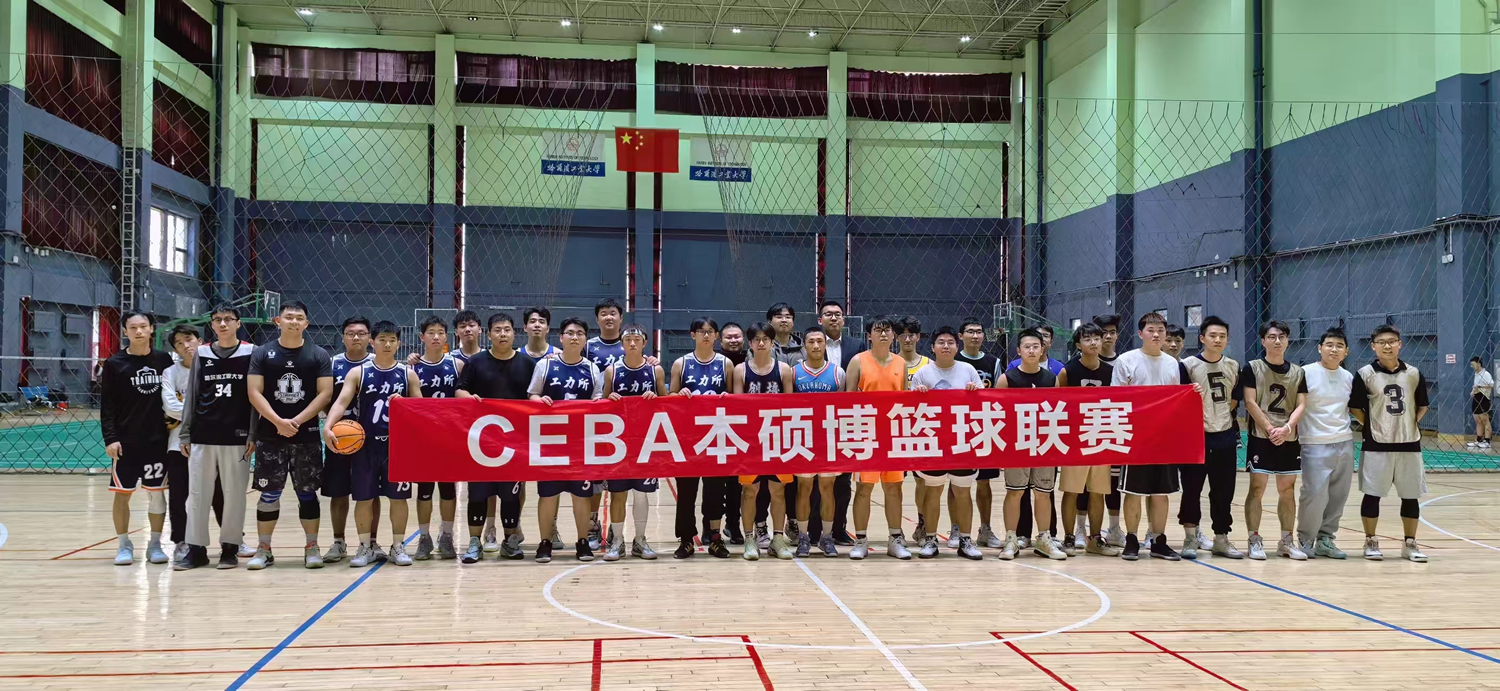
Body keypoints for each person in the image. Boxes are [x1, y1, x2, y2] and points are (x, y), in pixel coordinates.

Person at [325, 321, 424, 567]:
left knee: (398, 499)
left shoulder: (407, 374)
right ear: (373, 342)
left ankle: (398, 545)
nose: (387, 344)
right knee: (364, 498)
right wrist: (328, 426)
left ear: (399, 343)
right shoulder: (358, 372)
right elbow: (341, 402)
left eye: (392, 340)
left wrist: (405, 403)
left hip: (396, 446)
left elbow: (421, 409)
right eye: (382, 339)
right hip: (365, 444)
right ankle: (364, 547)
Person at [245, 301, 335, 570]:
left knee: (307, 493)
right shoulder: (262, 353)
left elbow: (325, 394)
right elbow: (254, 392)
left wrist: (295, 421)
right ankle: (264, 549)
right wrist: (277, 421)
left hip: (306, 435)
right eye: (289, 317)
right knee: (269, 493)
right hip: (270, 436)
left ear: (306, 323)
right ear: (278, 321)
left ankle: (312, 547)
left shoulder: (318, 354)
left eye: (299, 318)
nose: (294, 321)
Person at [172, 305, 257, 571]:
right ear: (211, 325)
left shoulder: (251, 352)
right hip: (203, 434)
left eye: (228, 319)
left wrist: (253, 433)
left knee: (235, 496)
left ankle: (230, 548)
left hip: (237, 436)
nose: (222, 324)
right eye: (217, 320)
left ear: (238, 323)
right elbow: (193, 394)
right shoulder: (203, 353)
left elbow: (256, 396)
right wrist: (185, 432)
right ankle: (196, 550)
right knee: (197, 495)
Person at [455, 313, 537, 563]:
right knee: (478, 494)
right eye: (498, 330)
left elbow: (535, 394)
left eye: (507, 329)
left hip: (515, 443)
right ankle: (474, 543)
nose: (503, 334)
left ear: (514, 333)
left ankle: (510, 541)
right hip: (481, 442)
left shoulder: (527, 364)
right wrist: (468, 398)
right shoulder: (476, 362)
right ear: (489, 334)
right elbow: (459, 390)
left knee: (511, 494)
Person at [1111, 312, 1188, 561]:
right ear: (1140, 333)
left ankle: (1158, 540)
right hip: (1135, 437)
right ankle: (1131, 539)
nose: (1156, 335)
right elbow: (1116, 399)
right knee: (1133, 491)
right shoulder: (1126, 360)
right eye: (1151, 330)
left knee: (1160, 492)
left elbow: (1175, 400)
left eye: (1160, 331)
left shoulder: (1172, 363)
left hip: (1163, 437)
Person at [100, 311, 175, 566]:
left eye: (143, 326)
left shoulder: (164, 360)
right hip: (126, 442)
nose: (139, 331)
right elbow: (107, 406)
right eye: (133, 328)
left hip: (157, 441)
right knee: (122, 494)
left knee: (157, 494)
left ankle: (155, 544)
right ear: (125, 331)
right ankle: (124, 544)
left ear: (152, 328)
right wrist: (111, 438)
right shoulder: (114, 364)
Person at [528, 317, 605, 563]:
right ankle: (545, 542)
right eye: (570, 333)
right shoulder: (546, 365)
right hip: (550, 442)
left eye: (580, 333)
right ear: (560, 338)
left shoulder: (592, 369)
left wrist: (598, 403)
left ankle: (582, 542)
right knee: (547, 495)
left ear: (585, 340)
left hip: (581, 443)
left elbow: (598, 401)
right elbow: (532, 394)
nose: (574, 337)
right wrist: (539, 401)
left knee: (581, 495)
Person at [1350, 324, 1430, 562]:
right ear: (1373, 346)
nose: (1387, 346)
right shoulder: (1365, 374)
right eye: (1382, 342)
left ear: (1400, 344)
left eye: (1392, 341)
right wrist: (1374, 426)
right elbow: (1355, 407)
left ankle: (1410, 543)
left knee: (1410, 496)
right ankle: (1370, 541)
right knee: (1372, 494)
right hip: (1377, 444)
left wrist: (1407, 424)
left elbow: (1422, 405)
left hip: (1409, 444)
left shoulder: (1413, 373)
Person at [910, 326, 985, 560]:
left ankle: (966, 540)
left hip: (962, 441)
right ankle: (931, 539)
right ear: (932, 348)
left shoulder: (968, 370)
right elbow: (911, 409)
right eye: (941, 342)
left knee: (963, 492)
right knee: (933, 492)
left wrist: (975, 392)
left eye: (950, 342)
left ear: (957, 346)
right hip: (933, 442)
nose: (946, 346)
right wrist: (918, 395)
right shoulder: (923, 373)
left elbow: (983, 403)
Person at [994, 328, 1067, 560]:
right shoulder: (1007, 378)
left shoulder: (1051, 379)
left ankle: (1044, 539)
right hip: (1017, 444)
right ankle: (1011, 539)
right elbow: (996, 413)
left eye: (1036, 346)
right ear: (1019, 351)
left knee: (1043, 493)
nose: (1032, 350)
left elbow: (1057, 412)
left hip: (1045, 442)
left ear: (1042, 349)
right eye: (1027, 347)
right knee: (1015, 492)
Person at [1239, 320, 1309, 561]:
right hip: (1262, 436)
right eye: (1272, 337)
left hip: (1289, 437)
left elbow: (1301, 404)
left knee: (1287, 489)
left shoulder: (1298, 372)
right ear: (1263, 341)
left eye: (1281, 337)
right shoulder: (1252, 368)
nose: (1277, 341)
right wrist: (1270, 429)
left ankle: (1286, 541)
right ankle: (1253, 540)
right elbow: (1250, 402)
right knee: (1257, 488)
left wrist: (1287, 428)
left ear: (1288, 341)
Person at [845, 316, 910, 560]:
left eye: (887, 330)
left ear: (893, 335)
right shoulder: (858, 361)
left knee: (894, 488)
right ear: (869, 335)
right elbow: (847, 400)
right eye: (878, 330)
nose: (883, 334)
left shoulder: (901, 362)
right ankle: (861, 540)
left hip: (892, 436)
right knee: (864, 488)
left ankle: (895, 539)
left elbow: (905, 400)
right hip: (866, 435)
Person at [671, 317, 736, 559]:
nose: (706, 335)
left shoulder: (726, 363)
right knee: (686, 492)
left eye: (710, 331)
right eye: (701, 331)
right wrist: (679, 394)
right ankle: (686, 539)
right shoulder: (681, 363)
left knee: (715, 492)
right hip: (687, 438)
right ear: (693, 335)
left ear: (716, 335)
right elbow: (670, 396)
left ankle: (715, 538)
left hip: (717, 436)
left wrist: (728, 398)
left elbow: (734, 397)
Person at [1177, 317, 1242, 559]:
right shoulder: (1188, 365)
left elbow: (1234, 400)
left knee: (1223, 492)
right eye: (1213, 335)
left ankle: (1221, 538)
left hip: (1224, 436)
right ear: (1202, 338)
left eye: (1222, 336)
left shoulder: (1233, 365)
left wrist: (1220, 417)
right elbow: (1180, 400)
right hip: (1195, 438)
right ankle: (1190, 538)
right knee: (1191, 489)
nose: (1217, 340)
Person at [601, 324, 667, 561]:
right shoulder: (612, 370)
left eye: (636, 340)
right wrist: (609, 398)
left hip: (646, 442)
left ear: (644, 343)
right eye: (627, 339)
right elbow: (601, 405)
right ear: (621, 344)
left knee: (641, 494)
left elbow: (667, 404)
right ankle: (617, 541)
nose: (632, 343)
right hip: (618, 443)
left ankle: (640, 540)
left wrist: (656, 399)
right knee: (618, 494)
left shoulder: (655, 371)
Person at [733, 322, 797, 560]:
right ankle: (749, 539)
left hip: (778, 439)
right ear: (750, 343)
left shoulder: (784, 370)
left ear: (772, 343)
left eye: (766, 339)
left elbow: (790, 408)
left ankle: (777, 539)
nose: (761, 343)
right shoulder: (740, 370)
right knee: (750, 491)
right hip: (750, 441)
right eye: (756, 339)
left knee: (778, 491)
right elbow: (737, 408)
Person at [1056, 323, 1121, 557]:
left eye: (1097, 338)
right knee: (1071, 491)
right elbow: (1058, 405)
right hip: (1075, 440)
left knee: (1098, 491)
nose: (1093, 342)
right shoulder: (1067, 371)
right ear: (1078, 345)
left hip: (1100, 437)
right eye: (1087, 339)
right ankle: (1069, 537)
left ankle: (1095, 539)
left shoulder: (1111, 372)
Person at [1297, 327, 1355, 559]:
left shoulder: (1348, 377)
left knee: (1338, 495)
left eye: (1339, 346)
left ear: (1346, 352)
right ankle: (1306, 539)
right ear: (1320, 348)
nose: (1334, 349)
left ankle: (1326, 539)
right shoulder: (1305, 373)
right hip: (1314, 442)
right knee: (1314, 494)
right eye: (1329, 345)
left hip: (1344, 441)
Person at [323, 316, 377, 564]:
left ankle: (372, 542)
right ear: (343, 337)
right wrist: (332, 424)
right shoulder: (332, 364)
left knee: (371, 493)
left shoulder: (378, 363)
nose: (356, 337)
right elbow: (324, 397)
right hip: (340, 437)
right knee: (339, 492)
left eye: (362, 333)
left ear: (370, 338)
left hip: (371, 439)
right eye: (350, 333)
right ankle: (338, 542)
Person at [792, 325, 845, 557]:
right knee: (804, 488)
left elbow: (844, 409)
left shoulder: (838, 372)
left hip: (828, 439)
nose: (815, 345)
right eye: (811, 341)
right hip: (802, 439)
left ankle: (827, 537)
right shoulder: (793, 372)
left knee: (827, 488)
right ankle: (803, 537)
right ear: (804, 345)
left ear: (826, 345)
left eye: (819, 341)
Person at [412, 315, 462, 560]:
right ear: (422, 337)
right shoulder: (411, 368)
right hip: (422, 439)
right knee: (424, 490)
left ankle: (447, 536)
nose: (436, 337)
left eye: (440, 332)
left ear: (446, 337)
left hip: (448, 438)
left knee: (448, 489)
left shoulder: (457, 365)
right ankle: (424, 538)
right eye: (431, 332)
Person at [816, 300, 863, 546]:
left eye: (837, 314)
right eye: (828, 314)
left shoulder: (857, 345)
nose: (833, 318)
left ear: (844, 320)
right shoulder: (813, 342)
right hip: (816, 420)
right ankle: (815, 530)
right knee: (816, 479)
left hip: (846, 419)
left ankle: (839, 528)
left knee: (843, 480)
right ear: (820, 320)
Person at [954, 319, 1003, 549]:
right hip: (958, 429)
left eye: (979, 332)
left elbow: (999, 396)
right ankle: (956, 528)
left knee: (984, 482)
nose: (975, 336)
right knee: (956, 483)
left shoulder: (994, 362)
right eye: (970, 332)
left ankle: (985, 529)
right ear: (961, 336)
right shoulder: (954, 360)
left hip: (984, 428)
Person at [161, 323, 200, 562]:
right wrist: (204, 412)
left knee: (219, 495)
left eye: (189, 339)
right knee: (178, 496)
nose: (186, 345)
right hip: (178, 445)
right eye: (179, 343)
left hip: (210, 443)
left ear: (199, 340)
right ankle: (180, 541)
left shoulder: (211, 367)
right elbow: (170, 407)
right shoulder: (170, 373)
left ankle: (232, 541)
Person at [898, 316, 938, 545]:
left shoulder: (929, 365)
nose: (907, 339)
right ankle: (896, 530)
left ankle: (922, 525)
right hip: (895, 429)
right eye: (903, 334)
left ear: (918, 337)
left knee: (922, 481)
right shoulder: (891, 363)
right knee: (894, 483)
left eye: (911, 334)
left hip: (921, 430)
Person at [1093, 313, 1126, 546]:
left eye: (1112, 332)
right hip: (1089, 428)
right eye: (1103, 332)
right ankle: (1081, 529)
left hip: (1115, 429)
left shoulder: (1124, 362)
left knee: (1113, 482)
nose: (1108, 337)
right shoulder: (1085, 362)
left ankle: (1114, 528)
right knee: (1087, 483)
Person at [767, 302, 805, 367]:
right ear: (770, 322)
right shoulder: (762, 347)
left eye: (788, 317)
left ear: (793, 322)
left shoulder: (803, 348)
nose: (784, 320)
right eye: (779, 317)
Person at [1470, 357, 1493, 449]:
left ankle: (1487, 441)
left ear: (1479, 364)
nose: (1472, 366)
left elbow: (1491, 385)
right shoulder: (1476, 374)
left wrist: (1480, 387)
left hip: (1484, 397)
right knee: (1477, 419)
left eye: (1473, 364)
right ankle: (1479, 440)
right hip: (1476, 397)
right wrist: (1473, 391)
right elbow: (1475, 385)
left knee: (1485, 419)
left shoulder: (1486, 374)